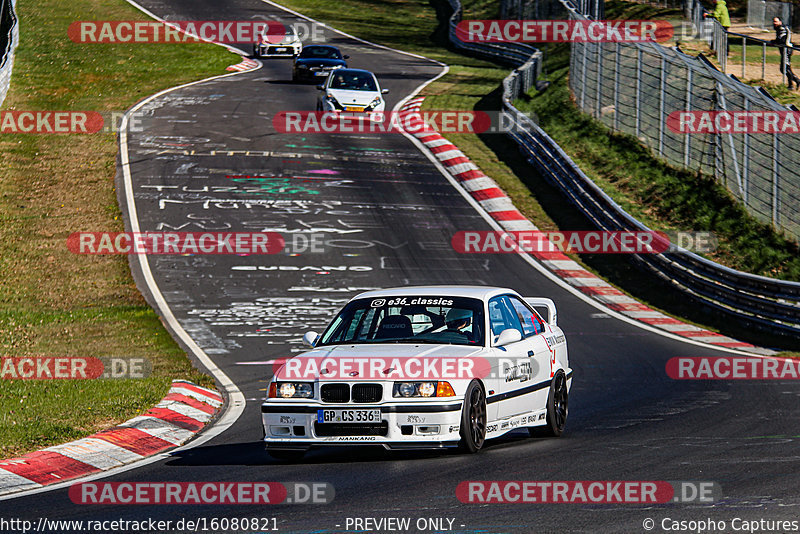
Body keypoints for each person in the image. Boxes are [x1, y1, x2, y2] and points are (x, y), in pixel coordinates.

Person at [768, 17, 800, 89]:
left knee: (784, 68)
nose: (774, 23)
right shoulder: (779, 29)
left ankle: (797, 81)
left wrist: (774, 42)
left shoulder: (782, 29)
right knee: (786, 68)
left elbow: (782, 40)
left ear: (780, 22)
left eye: (776, 21)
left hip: (786, 50)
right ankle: (790, 85)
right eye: (773, 21)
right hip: (784, 50)